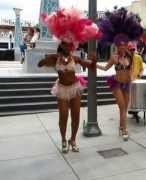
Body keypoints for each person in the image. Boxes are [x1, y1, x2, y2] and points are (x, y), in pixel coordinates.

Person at [39, 8, 100, 153]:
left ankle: (73, 140)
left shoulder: (75, 58)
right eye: (65, 44)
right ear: (61, 44)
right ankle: (63, 140)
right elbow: (40, 64)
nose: (67, 46)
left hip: (75, 88)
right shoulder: (56, 58)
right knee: (63, 115)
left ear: (73, 44)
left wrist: (93, 59)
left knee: (76, 116)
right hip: (62, 89)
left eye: (69, 44)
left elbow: (90, 66)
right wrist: (46, 59)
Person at [97, 8, 143, 141]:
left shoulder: (131, 55)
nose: (122, 47)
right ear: (117, 46)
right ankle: (124, 130)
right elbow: (105, 68)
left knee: (124, 108)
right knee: (122, 107)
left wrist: (133, 76)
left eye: (124, 45)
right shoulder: (114, 57)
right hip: (116, 83)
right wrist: (95, 64)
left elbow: (133, 67)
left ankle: (121, 127)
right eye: (120, 45)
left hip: (127, 84)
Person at [128, 42, 144, 121]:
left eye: (133, 49)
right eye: (130, 49)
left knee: (137, 98)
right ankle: (132, 111)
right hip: (128, 82)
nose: (132, 51)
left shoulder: (138, 57)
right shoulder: (126, 58)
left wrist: (140, 74)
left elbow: (142, 69)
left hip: (137, 81)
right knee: (130, 98)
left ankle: (135, 113)